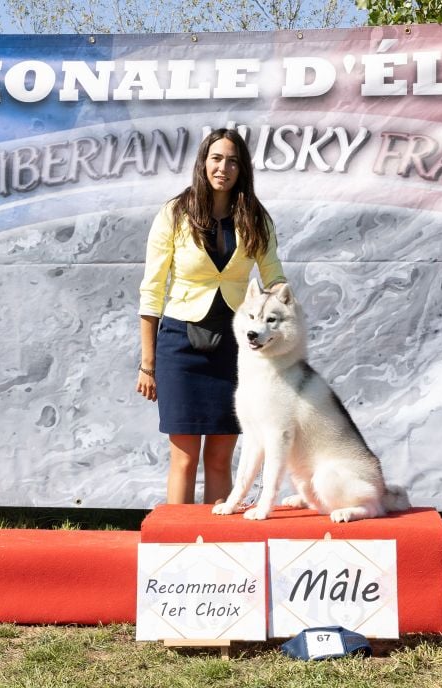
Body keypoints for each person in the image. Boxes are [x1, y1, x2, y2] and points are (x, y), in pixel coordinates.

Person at [136, 128, 286, 504]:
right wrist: (147, 365)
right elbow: (151, 291)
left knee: (220, 460)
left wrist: (284, 319)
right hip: (180, 345)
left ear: (242, 168)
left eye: (233, 161)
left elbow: (275, 279)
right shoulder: (174, 214)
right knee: (184, 459)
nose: (224, 168)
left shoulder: (256, 218)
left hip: (236, 351)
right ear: (203, 163)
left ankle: (216, 538)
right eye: (216, 158)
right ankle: (177, 540)